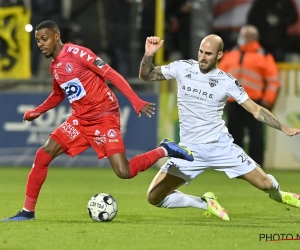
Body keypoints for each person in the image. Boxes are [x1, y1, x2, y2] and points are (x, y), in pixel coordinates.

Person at [1, 20, 194, 222]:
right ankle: (27, 212)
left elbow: (112, 74)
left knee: (123, 171)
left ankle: (164, 149)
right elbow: (58, 94)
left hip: (104, 116)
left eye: (44, 39)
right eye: (38, 40)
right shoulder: (55, 67)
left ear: (56, 36)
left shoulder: (78, 54)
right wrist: (37, 111)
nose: (40, 44)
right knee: (42, 156)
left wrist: (136, 101)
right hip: (80, 119)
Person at [138, 35, 300, 221]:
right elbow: (147, 75)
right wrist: (148, 55)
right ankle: (204, 202)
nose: (203, 57)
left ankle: (281, 195)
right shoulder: (182, 68)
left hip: (220, 146)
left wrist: (284, 128)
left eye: (208, 53)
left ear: (219, 55)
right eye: (201, 51)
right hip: (189, 150)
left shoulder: (226, 81)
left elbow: (255, 110)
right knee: (154, 197)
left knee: (265, 184)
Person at [218, 25, 280, 168]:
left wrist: (267, 100)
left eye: (244, 35)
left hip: (254, 102)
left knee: (256, 136)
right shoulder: (230, 54)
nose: (241, 37)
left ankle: (256, 165)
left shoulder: (263, 55)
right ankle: (235, 164)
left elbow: (273, 81)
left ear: (253, 38)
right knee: (233, 135)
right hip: (234, 102)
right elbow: (220, 78)